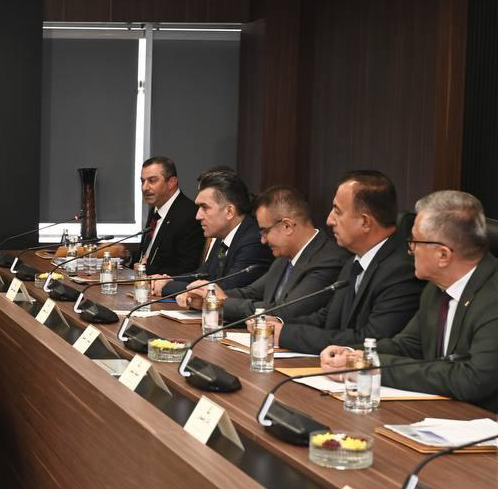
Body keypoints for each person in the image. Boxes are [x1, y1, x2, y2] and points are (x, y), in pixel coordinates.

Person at [321, 191, 498, 410]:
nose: (409, 250)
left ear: (443, 255)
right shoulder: (435, 289)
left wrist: (374, 367)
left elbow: (472, 379)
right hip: (441, 414)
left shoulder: (493, 298)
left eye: (414, 242)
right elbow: (409, 345)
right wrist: (353, 355)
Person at [275, 171, 423, 354]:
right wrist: (276, 325)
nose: (329, 220)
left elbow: (370, 339)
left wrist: (288, 335)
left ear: (365, 222)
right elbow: (328, 318)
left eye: (337, 211)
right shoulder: (355, 260)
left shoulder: (401, 270)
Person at [196, 185, 347, 322]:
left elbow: (286, 310)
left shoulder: (328, 259)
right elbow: (250, 293)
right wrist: (205, 296)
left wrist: (222, 303)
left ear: (287, 226)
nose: (262, 240)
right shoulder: (284, 258)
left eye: (265, 231)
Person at [157, 171, 271, 299]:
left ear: (229, 211)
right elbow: (202, 274)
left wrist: (167, 286)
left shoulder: (254, 242)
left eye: (204, 208)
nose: (197, 216)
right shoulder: (224, 235)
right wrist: (168, 279)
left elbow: (223, 289)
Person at [133, 156, 203, 276]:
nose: (144, 188)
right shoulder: (156, 209)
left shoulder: (190, 215)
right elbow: (147, 255)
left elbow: (187, 269)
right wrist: (125, 256)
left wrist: (145, 269)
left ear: (171, 182)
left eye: (152, 180)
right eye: (142, 181)